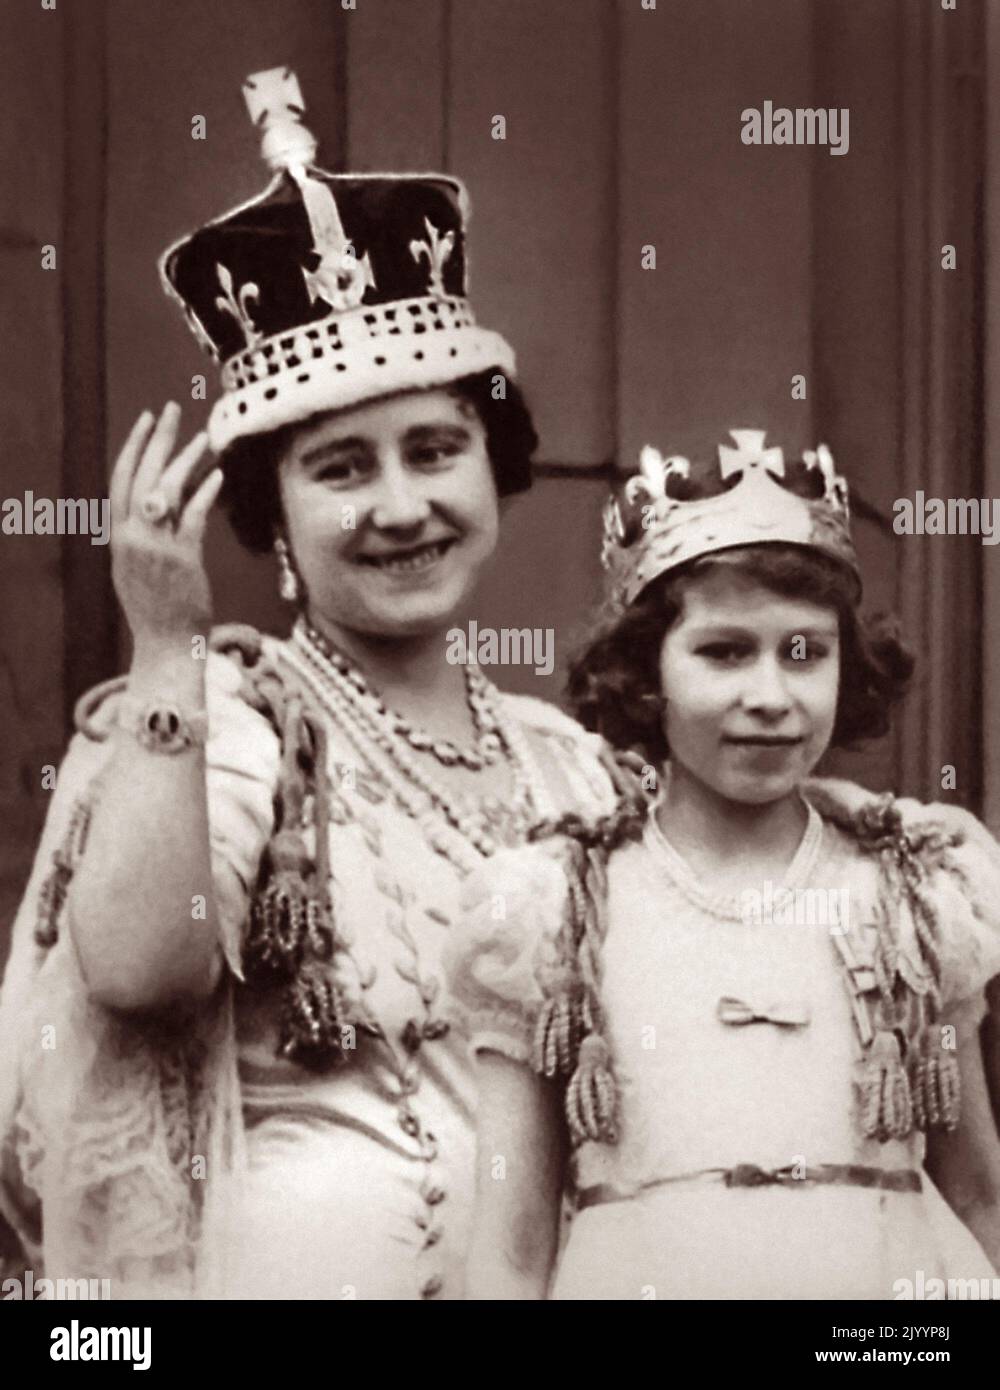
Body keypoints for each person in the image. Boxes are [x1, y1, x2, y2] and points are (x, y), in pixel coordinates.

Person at [0, 68, 616, 1300]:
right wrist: (167, 649)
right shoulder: (226, 723)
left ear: (492, 474)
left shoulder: (571, 761)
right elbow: (133, 973)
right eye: (342, 468)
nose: (402, 507)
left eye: (437, 451)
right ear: (271, 519)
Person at [448, 431, 1000, 1299]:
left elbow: (977, 1193)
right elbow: (510, 1250)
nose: (771, 698)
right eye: (724, 652)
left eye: (804, 653)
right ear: (643, 674)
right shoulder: (556, 908)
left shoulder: (911, 890)